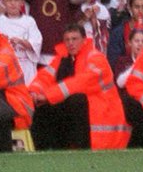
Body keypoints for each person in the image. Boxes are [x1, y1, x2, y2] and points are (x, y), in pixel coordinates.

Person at [28, 22, 129, 150]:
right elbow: (45, 76)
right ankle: (43, 149)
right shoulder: (62, 58)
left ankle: (76, 147)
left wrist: (48, 95)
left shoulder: (96, 58)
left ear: (84, 40)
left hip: (100, 115)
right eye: (67, 40)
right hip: (79, 112)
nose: (71, 43)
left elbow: (81, 83)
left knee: (76, 99)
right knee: (40, 105)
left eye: (74, 39)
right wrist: (35, 92)